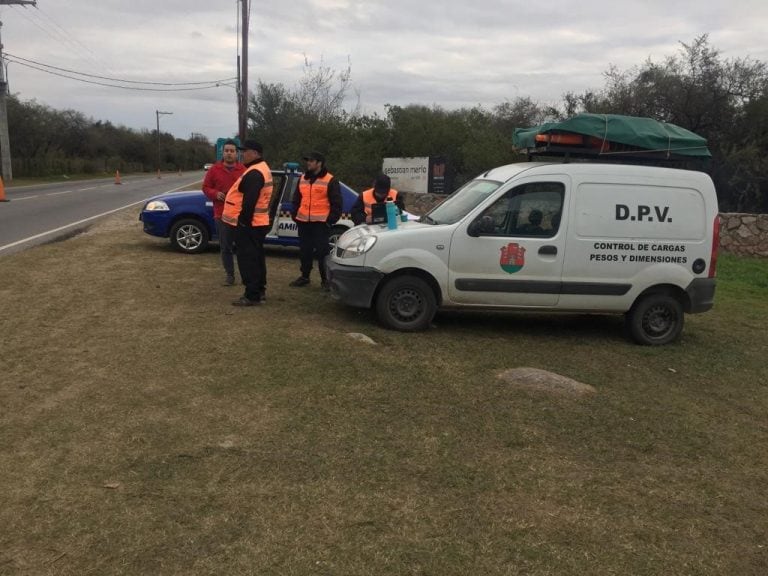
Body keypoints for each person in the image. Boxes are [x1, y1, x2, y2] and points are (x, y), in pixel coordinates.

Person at [221, 140, 273, 306]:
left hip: (249, 224)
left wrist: (243, 222)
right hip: (256, 223)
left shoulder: (255, 172)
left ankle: (252, 295)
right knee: (256, 258)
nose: (242, 154)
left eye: (246, 151)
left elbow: (249, 201)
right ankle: (259, 290)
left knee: (248, 260)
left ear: (256, 153)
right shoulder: (260, 169)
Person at [289, 151, 342, 289]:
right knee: (304, 251)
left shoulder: (330, 180)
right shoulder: (303, 178)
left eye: (312, 161)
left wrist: (329, 221)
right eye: (308, 160)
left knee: (322, 253)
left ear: (319, 163)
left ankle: (325, 280)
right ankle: (304, 277)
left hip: (321, 224)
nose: (308, 163)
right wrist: (295, 215)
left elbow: (337, 204)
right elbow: (296, 199)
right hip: (304, 222)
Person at [202, 139, 245, 285]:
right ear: (223, 152)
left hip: (240, 214)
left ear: (236, 153)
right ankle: (230, 275)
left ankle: (246, 275)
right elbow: (206, 187)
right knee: (225, 246)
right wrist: (215, 194)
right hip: (221, 214)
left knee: (242, 247)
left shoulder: (243, 170)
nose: (229, 153)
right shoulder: (214, 169)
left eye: (232, 151)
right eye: (226, 150)